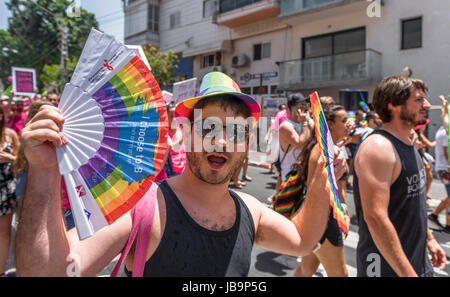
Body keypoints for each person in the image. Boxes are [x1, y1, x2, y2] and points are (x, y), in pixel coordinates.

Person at [15, 72, 347, 277]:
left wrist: (320, 181)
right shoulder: (141, 209)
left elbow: (303, 242)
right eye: (209, 128)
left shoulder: (250, 210)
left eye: (234, 131)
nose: (220, 141)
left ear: (246, 144)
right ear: (186, 134)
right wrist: (43, 173)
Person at [353, 75, 447, 277]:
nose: (427, 105)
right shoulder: (378, 148)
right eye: (419, 100)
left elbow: (412, 203)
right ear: (393, 105)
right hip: (384, 268)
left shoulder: (408, 141)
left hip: (415, 260)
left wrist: (429, 239)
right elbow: (375, 218)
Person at [294, 105, 351, 277]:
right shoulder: (324, 150)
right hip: (325, 220)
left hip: (319, 218)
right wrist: (341, 217)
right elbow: (320, 191)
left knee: (306, 270)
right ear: (331, 125)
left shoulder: (326, 147)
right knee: (340, 274)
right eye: (344, 120)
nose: (348, 124)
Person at [0, 107, 19, 276]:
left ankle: (1, 270)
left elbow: (22, 162)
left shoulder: (10, 135)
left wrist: (9, 158)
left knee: (4, 232)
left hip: (5, 190)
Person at [427, 96, 449, 234]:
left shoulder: (443, 129)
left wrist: (444, 107)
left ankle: (434, 215)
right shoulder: (447, 132)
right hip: (446, 168)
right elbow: (447, 153)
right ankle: (448, 226)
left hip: (442, 167)